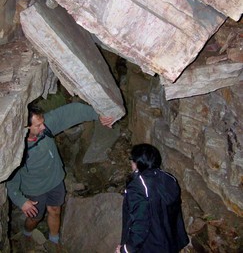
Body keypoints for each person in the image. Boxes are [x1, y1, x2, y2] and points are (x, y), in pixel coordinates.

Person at [7, 101, 114, 252]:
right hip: (35, 188)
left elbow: (71, 112)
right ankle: (27, 233)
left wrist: (99, 116)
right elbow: (10, 181)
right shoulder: (18, 149)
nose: (43, 127)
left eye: (42, 122)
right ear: (25, 128)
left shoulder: (45, 127)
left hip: (55, 180)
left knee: (55, 210)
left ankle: (54, 239)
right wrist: (21, 201)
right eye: (38, 125)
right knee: (35, 217)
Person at [115, 143, 189, 253]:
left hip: (150, 245)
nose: (131, 162)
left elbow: (140, 224)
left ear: (137, 163)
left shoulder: (137, 188)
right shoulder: (169, 178)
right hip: (170, 241)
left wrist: (126, 249)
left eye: (132, 160)